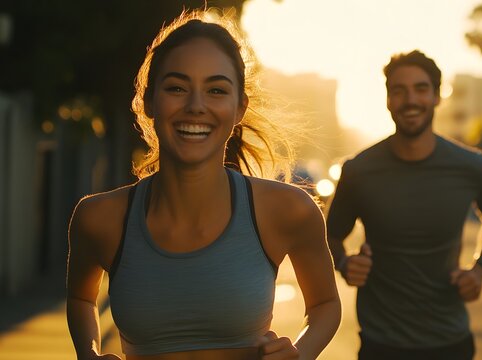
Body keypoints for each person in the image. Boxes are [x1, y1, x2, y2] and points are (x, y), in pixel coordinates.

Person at [66, 9, 340, 360]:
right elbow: (81, 298)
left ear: (239, 107)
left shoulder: (288, 210)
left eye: (216, 90)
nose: (196, 106)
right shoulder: (99, 218)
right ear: (150, 101)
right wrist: (88, 353)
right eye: (177, 88)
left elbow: (326, 304)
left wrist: (300, 354)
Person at [326, 50, 482, 360]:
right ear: (387, 100)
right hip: (380, 344)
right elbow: (329, 236)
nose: (410, 100)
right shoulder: (358, 170)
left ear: (438, 97)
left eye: (421, 89)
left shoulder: (474, 167)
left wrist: (480, 269)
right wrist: (345, 264)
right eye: (399, 91)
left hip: (450, 341)